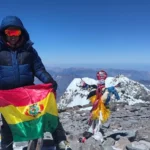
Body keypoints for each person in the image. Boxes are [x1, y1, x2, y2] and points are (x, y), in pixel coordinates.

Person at [0, 16, 71, 150]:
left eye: (16, 32)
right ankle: (6, 146)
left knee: (45, 115)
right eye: (9, 32)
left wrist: (49, 80)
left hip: (27, 94)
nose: (13, 36)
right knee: (8, 123)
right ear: (4, 33)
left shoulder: (29, 51)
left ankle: (61, 142)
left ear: (22, 32)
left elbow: (38, 69)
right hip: (7, 97)